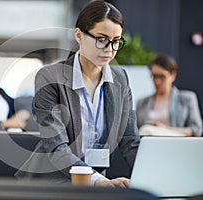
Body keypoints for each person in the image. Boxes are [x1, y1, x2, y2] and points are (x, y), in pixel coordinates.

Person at [15, 1, 140, 188]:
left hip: (98, 182)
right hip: (52, 181)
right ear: (79, 35)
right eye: (102, 39)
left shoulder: (120, 79)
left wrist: (152, 174)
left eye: (116, 41)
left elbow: (130, 140)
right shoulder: (50, 77)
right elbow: (56, 147)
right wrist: (97, 181)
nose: (109, 49)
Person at [136, 54, 202, 136]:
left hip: (177, 146)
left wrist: (164, 129)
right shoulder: (142, 103)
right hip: (148, 146)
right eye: (154, 76)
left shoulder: (187, 99)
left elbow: (196, 129)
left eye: (162, 76)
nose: (157, 81)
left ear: (173, 75)